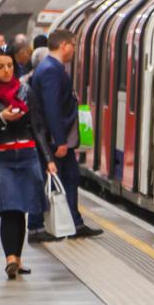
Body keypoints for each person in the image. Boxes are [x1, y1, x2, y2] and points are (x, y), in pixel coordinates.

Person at [0, 52, 48, 280]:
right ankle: (11, 259)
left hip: (27, 156)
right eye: (0, 67)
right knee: (9, 209)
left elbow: (38, 126)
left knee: (21, 209)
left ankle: (17, 258)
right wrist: (2, 118)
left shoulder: (26, 92)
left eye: (9, 66)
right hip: (1, 159)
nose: (6, 70)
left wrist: (49, 159)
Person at [28, 29, 101, 240]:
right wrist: (59, 140)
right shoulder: (52, 70)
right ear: (64, 46)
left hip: (55, 137)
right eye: (74, 45)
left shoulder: (49, 67)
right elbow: (52, 107)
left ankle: (74, 223)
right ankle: (36, 226)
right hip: (54, 139)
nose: (75, 49)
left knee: (69, 177)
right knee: (51, 178)